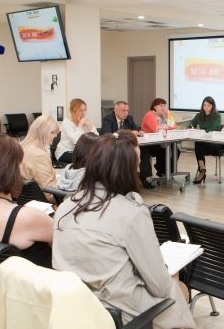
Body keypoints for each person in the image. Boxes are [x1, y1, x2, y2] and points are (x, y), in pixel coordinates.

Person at [52, 131, 195, 328]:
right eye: (136, 165)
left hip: (77, 310)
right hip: (121, 314)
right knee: (177, 288)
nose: (138, 171)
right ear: (126, 170)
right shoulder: (132, 213)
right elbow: (160, 287)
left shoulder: (66, 207)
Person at [0, 133, 53, 268]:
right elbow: (67, 240)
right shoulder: (28, 217)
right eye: (19, 163)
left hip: (5, 277)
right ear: (10, 169)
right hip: (43, 278)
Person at [102, 101, 152, 189]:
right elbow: (107, 135)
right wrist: (128, 133)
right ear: (116, 110)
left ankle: (143, 178)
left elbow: (135, 128)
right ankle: (126, 180)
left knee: (145, 150)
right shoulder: (108, 119)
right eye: (123, 110)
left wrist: (139, 131)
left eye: (127, 110)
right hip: (115, 146)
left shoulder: (129, 118)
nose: (126, 113)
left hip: (129, 145)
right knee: (129, 152)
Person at [20, 115, 60, 203]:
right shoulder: (40, 155)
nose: (56, 136)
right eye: (53, 132)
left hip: (25, 202)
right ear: (44, 132)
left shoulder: (20, 147)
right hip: (44, 205)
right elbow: (50, 193)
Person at [141, 98, 178, 178]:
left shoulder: (163, 116)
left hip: (160, 142)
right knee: (165, 150)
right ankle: (163, 171)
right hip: (149, 144)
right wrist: (170, 127)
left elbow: (173, 126)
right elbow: (157, 129)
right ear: (155, 107)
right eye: (161, 106)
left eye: (164, 106)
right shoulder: (150, 115)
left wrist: (169, 115)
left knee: (176, 150)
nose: (163, 108)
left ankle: (166, 171)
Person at [190, 96, 222, 184]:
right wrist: (192, 129)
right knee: (198, 143)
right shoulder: (199, 115)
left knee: (199, 144)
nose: (206, 107)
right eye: (204, 105)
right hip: (203, 143)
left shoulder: (217, 115)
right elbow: (191, 126)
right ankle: (202, 169)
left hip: (214, 143)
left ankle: (202, 171)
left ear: (212, 106)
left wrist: (201, 132)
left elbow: (215, 128)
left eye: (208, 105)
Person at [55, 99, 98, 163]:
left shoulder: (85, 122)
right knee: (87, 159)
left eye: (84, 110)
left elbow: (97, 139)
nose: (83, 113)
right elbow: (75, 141)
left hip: (79, 152)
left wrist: (90, 127)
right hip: (64, 152)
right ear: (73, 111)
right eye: (81, 110)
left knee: (96, 156)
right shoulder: (66, 123)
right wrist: (80, 125)